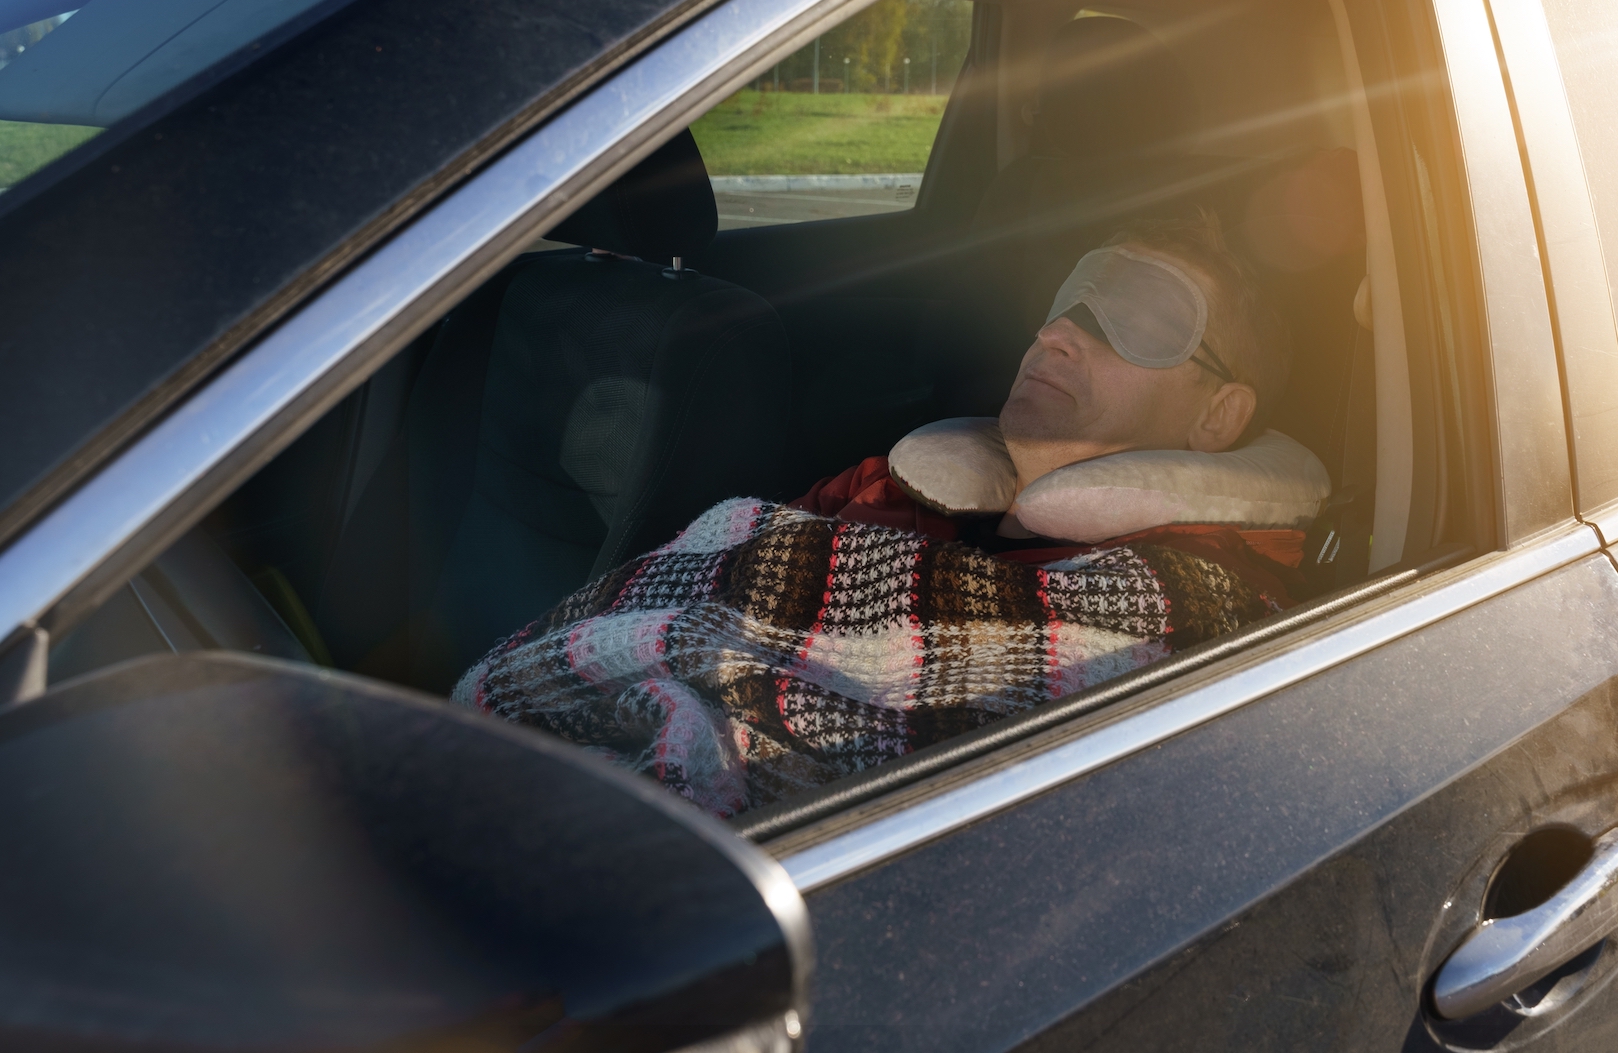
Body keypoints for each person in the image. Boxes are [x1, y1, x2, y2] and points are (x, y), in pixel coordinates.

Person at [454, 212, 1322, 817]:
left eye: (1140, 323)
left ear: (1218, 416)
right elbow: (703, 593)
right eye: (1072, 299)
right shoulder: (886, 482)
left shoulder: (1202, 609)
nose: (1058, 334)